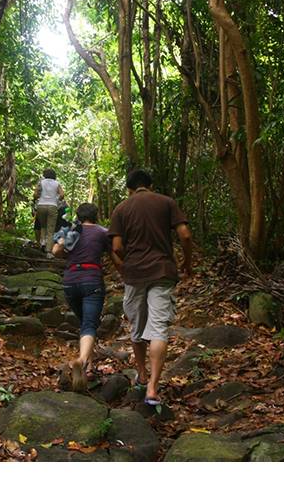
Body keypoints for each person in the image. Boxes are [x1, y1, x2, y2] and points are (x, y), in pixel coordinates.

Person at [108, 169, 193, 406]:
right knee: (158, 329)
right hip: (162, 271)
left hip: (134, 274)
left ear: (129, 189)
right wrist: (187, 262)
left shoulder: (121, 209)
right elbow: (185, 235)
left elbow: (116, 247)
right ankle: (153, 388)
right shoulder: (166, 202)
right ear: (150, 185)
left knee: (137, 325)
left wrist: (129, 263)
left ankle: (142, 374)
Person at [52, 203, 112, 393]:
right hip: (92, 280)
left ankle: (90, 368)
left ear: (78, 216)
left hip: (70, 281)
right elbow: (115, 252)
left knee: (85, 323)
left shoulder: (70, 231)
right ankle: (83, 361)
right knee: (89, 325)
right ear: (96, 215)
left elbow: (55, 252)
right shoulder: (103, 232)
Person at [33, 168, 64, 257]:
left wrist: (38, 198)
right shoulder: (57, 183)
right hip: (52, 206)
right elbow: (62, 195)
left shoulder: (41, 182)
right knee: (50, 229)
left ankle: (42, 242)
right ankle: (48, 252)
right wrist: (57, 200)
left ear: (45, 175)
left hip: (41, 206)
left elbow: (35, 194)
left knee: (43, 225)